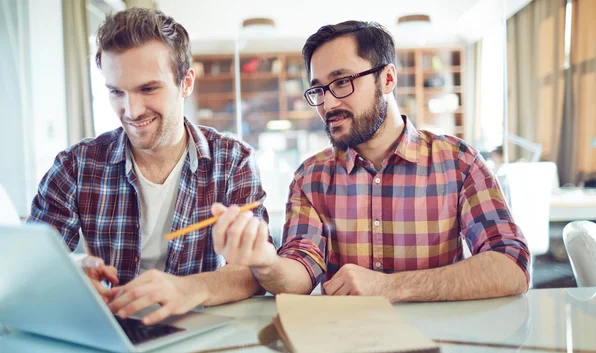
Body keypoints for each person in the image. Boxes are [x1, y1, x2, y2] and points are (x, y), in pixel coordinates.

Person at [211, 20, 530, 301]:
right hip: (349, 352)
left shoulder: (459, 161)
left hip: (445, 350)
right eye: (319, 90)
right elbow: (300, 272)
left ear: (388, 79)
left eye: (341, 82)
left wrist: (392, 287)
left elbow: (511, 264)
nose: (328, 104)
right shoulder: (312, 177)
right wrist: (266, 262)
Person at [27, 8, 268, 324]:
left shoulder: (233, 161)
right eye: (116, 92)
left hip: (199, 336)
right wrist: (71, 276)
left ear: (186, 83)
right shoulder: (75, 166)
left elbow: (254, 272)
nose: (131, 110)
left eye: (148, 88)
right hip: (111, 335)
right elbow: (32, 267)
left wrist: (188, 289)